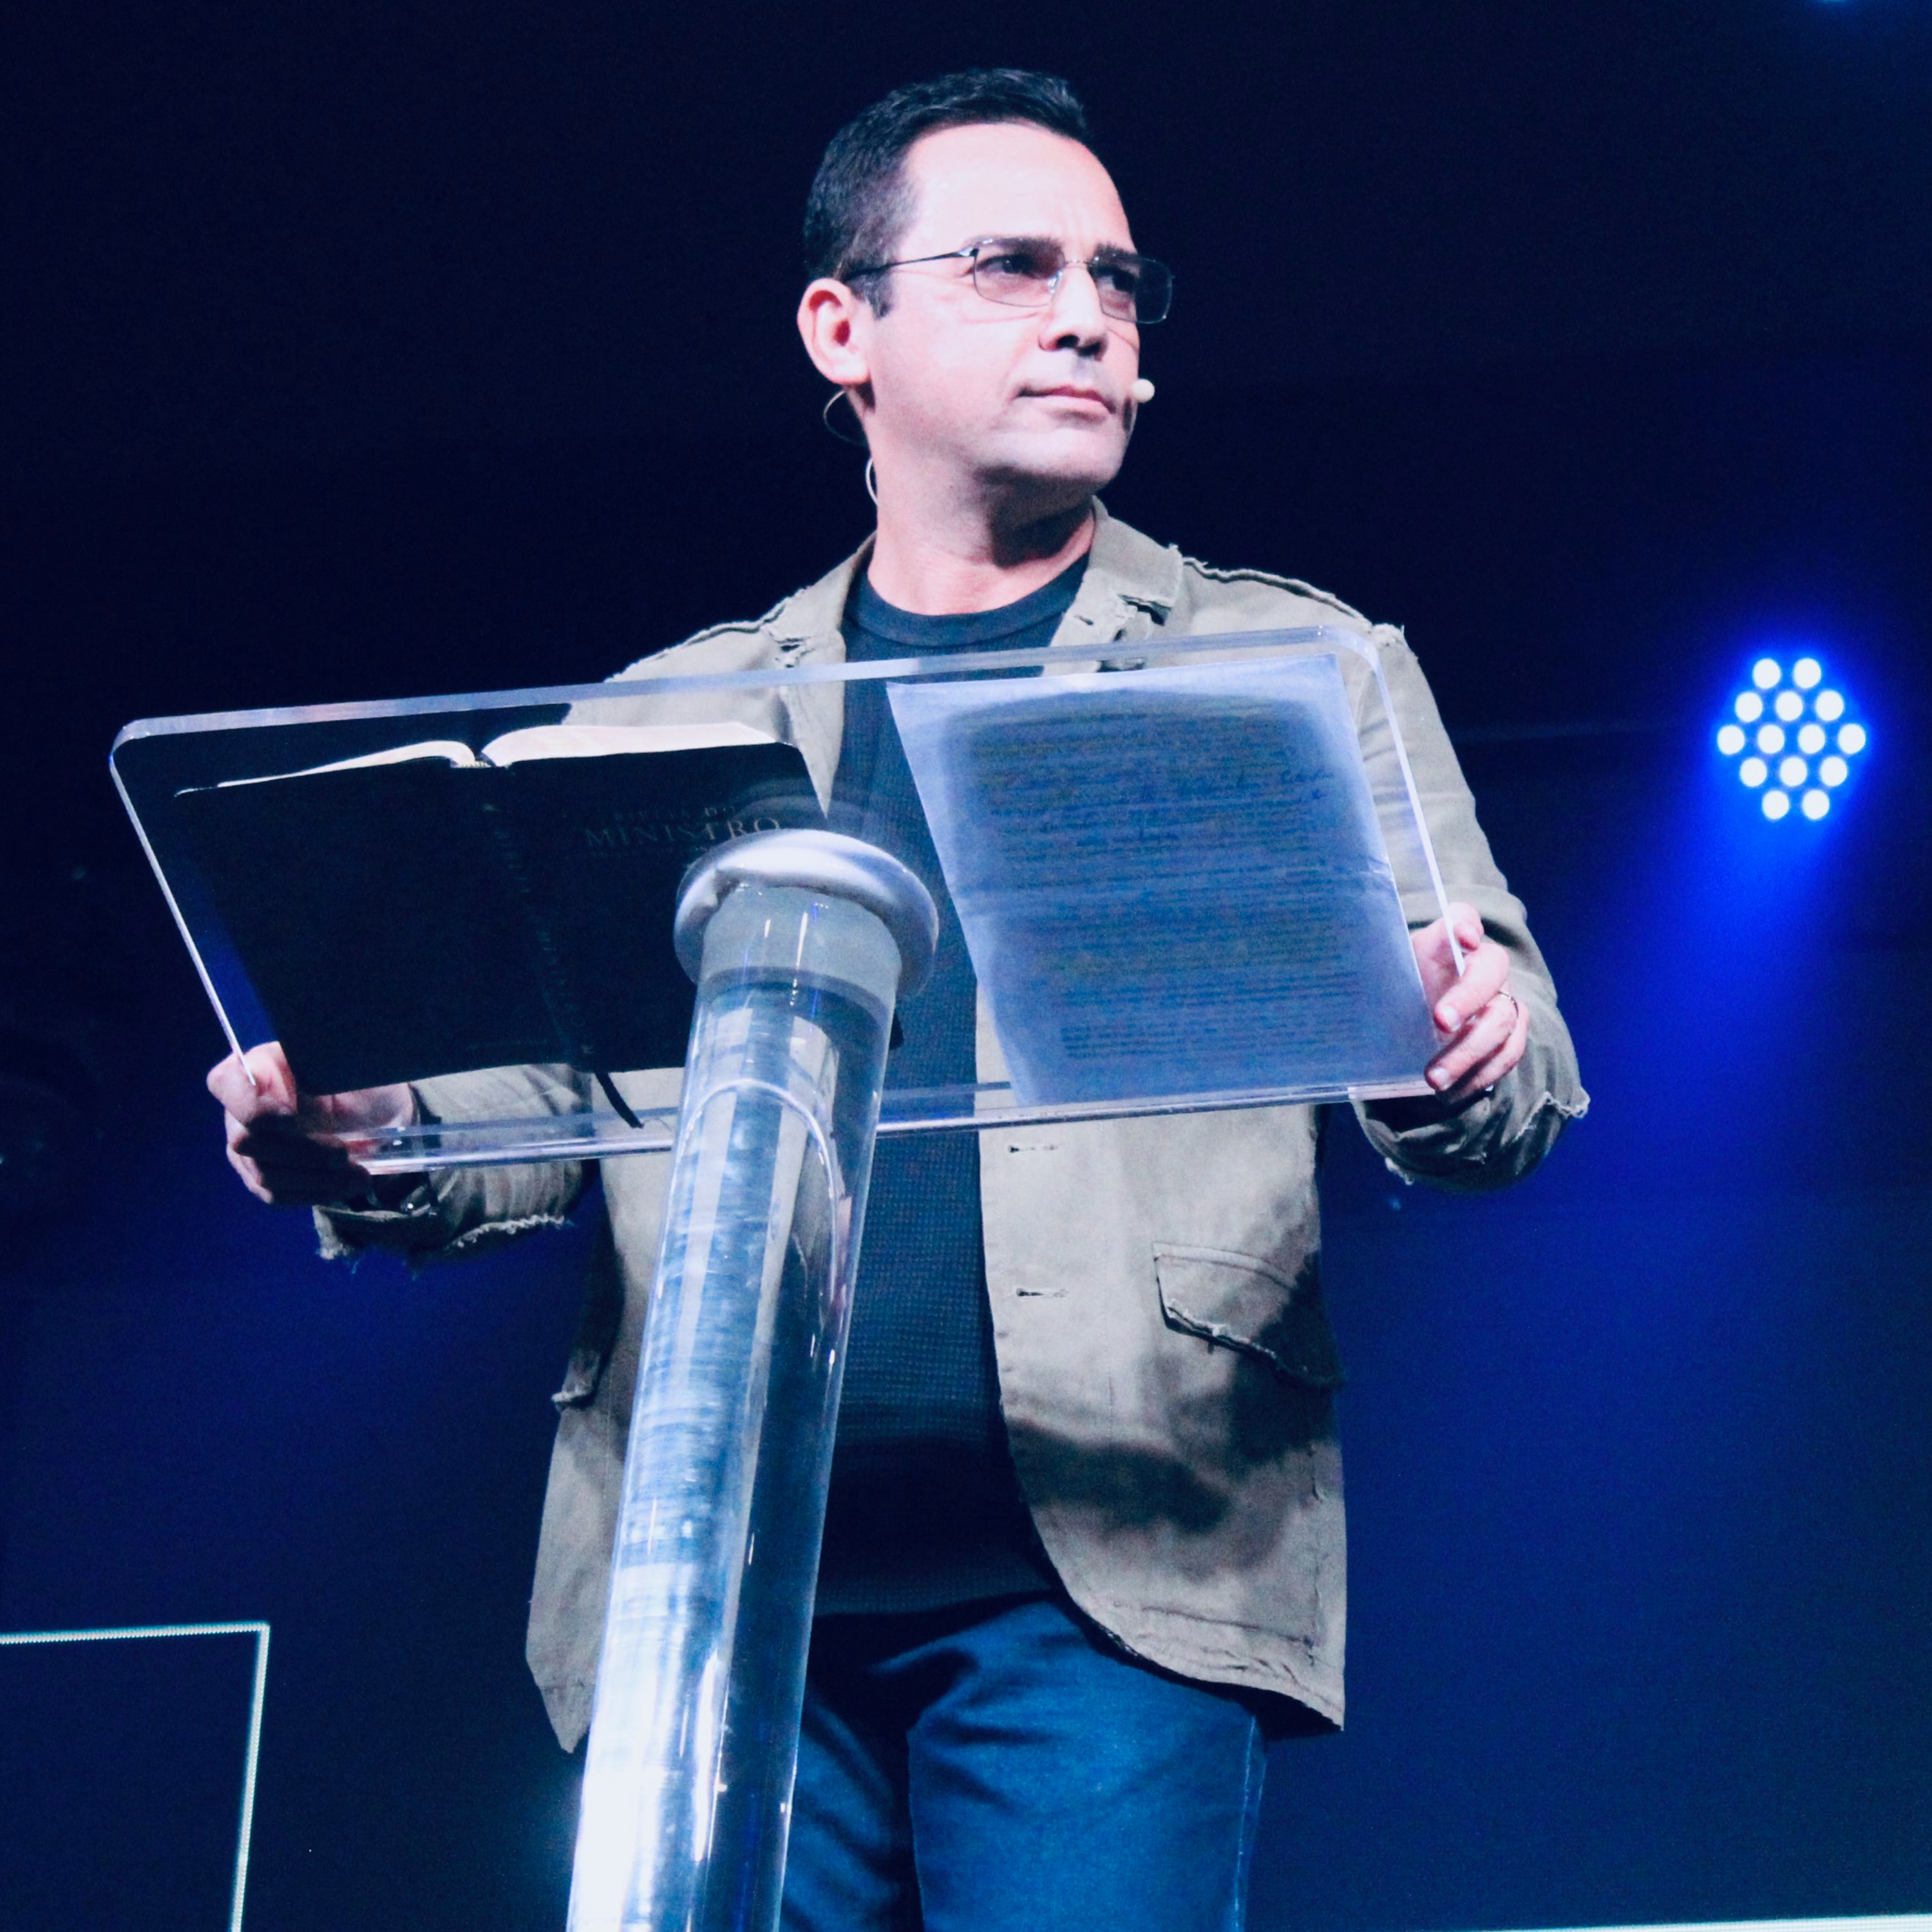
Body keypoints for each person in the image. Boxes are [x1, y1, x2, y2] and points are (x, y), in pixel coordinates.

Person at [209, 70, 1586, 1932]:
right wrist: (367, 1127)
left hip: (1116, 1573)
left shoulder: (1293, 660)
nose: (1089, 316)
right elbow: (530, 1114)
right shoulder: (670, 711)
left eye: (1116, 279)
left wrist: (1455, 1052)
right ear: (840, 329)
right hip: (712, 1585)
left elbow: (1513, 1070)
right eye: (1015, 266)